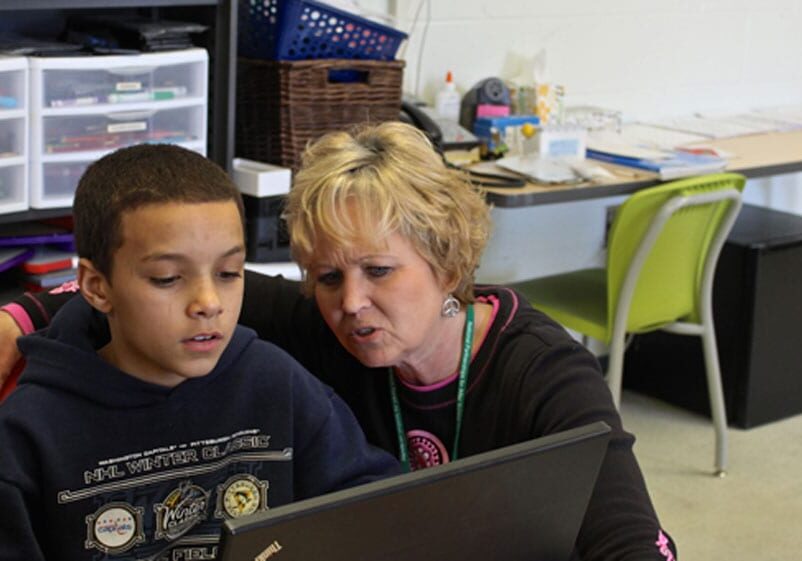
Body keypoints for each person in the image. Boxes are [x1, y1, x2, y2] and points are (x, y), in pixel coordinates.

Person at [0, 123, 677, 560]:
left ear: (447, 259)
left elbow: (623, 524)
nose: (350, 303)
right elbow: (147, 289)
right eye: (327, 275)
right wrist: (18, 319)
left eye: (379, 270)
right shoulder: (312, 323)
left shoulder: (541, 367)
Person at [0, 144, 399, 561]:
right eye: (168, 278)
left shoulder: (278, 384)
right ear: (97, 287)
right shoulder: (28, 434)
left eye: (228, 274)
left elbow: (378, 515)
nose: (209, 302)